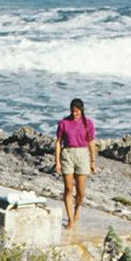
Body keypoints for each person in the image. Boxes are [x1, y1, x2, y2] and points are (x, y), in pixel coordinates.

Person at [55, 96, 98, 229]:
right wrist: (57, 162)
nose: (75, 114)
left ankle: (77, 209)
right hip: (67, 154)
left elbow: (91, 143)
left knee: (81, 191)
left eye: (77, 111)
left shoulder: (88, 123)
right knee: (68, 189)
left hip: (83, 154)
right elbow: (58, 142)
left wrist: (93, 161)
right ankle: (70, 220)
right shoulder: (63, 123)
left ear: (82, 110)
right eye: (73, 111)